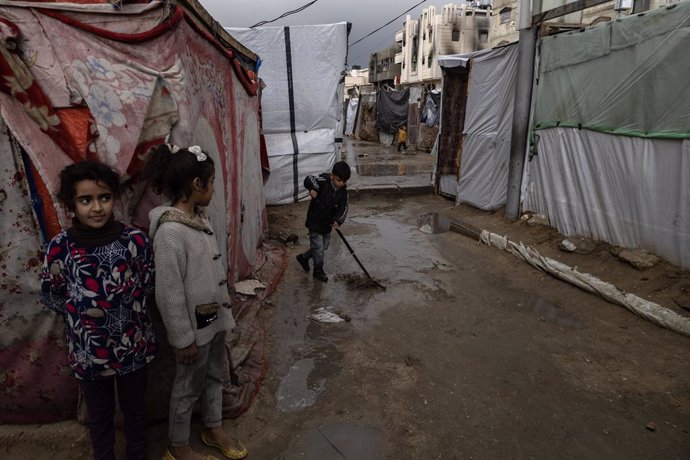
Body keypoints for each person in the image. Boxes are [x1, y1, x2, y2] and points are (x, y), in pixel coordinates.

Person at [41, 160, 158, 460]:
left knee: (135, 410)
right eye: (85, 200)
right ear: (71, 204)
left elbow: (148, 284)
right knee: (100, 415)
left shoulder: (134, 240)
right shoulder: (60, 247)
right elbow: (52, 291)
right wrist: (79, 313)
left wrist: (126, 313)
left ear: (114, 198)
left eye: (104, 198)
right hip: (89, 354)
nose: (96, 207)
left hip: (133, 348)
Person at [145, 144, 247, 460]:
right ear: (196, 185)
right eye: (212, 182)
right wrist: (182, 338)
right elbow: (169, 292)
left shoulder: (200, 219)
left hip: (212, 318)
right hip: (192, 329)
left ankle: (213, 427)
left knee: (216, 373)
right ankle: (178, 446)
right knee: (188, 386)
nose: (214, 188)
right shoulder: (171, 232)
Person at [296, 160, 351, 282]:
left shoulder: (343, 193)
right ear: (332, 176)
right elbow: (309, 178)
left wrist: (338, 220)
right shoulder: (323, 181)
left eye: (344, 181)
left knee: (323, 246)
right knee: (319, 247)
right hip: (315, 220)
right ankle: (318, 270)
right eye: (338, 180)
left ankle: (303, 258)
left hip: (327, 223)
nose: (341, 183)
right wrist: (313, 188)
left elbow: (344, 208)